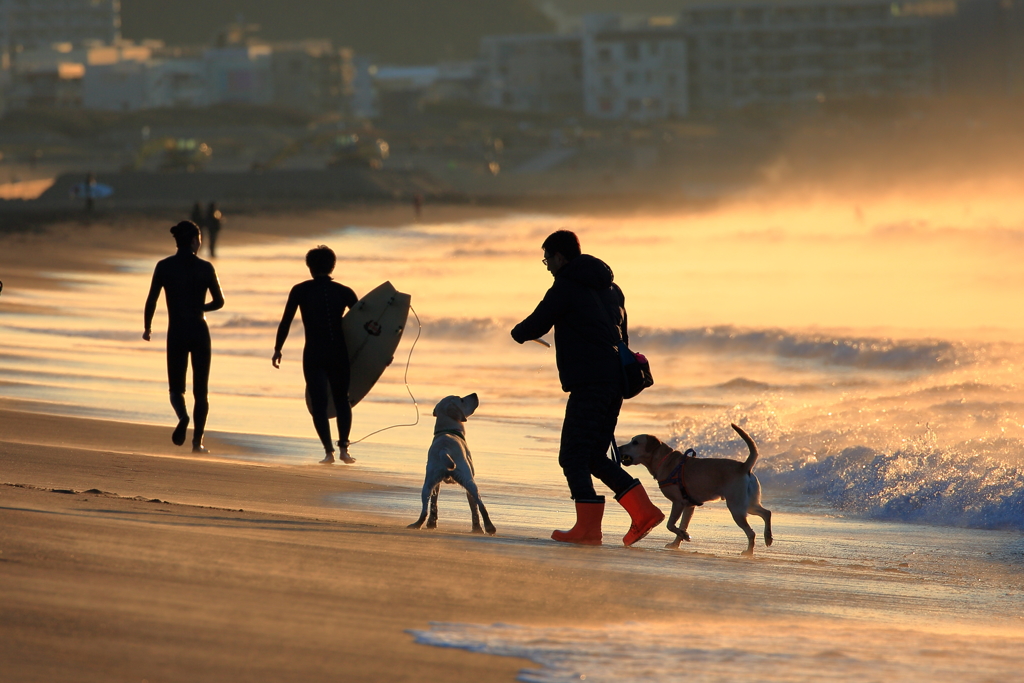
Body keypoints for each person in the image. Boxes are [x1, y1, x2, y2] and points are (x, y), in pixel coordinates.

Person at [511, 230, 664, 546]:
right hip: (613, 384)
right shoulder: (612, 289)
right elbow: (623, 337)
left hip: (590, 385)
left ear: (560, 257)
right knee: (593, 455)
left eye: (547, 260)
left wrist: (517, 332)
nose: (548, 266)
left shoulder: (565, 286)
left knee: (572, 456)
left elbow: (537, 323)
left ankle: (588, 529)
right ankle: (643, 512)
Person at [143, 221, 225, 453]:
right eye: (199, 239)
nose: (200, 243)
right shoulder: (206, 268)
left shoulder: (164, 266)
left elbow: (152, 300)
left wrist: (147, 327)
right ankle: (197, 443)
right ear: (193, 241)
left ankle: (182, 416)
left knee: (176, 389)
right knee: (201, 391)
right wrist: (200, 308)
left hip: (176, 332)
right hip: (200, 331)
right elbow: (220, 302)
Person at [273, 245, 358, 464]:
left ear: (309, 267)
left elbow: (286, 322)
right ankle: (344, 450)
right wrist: (381, 353)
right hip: (338, 353)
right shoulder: (344, 291)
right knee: (342, 400)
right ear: (333, 266)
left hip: (313, 353)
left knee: (318, 403)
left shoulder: (300, 290)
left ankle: (328, 452)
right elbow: (364, 327)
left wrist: (278, 348)